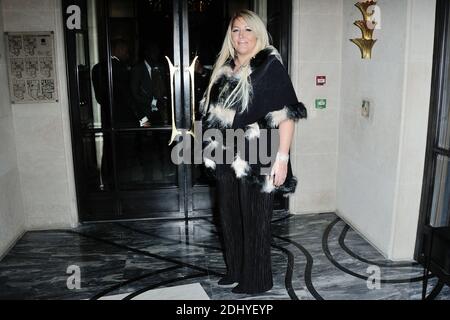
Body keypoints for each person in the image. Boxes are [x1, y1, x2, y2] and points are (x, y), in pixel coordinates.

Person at [200, 10, 307, 294]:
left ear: (258, 33)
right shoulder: (225, 68)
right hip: (226, 152)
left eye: (248, 30)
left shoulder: (269, 66)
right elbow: (215, 116)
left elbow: (286, 116)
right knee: (229, 215)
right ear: (230, 36)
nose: (241, 36)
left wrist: (282, 159)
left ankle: (258, 279)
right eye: (236, 30)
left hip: (259, 150)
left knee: (255, 219)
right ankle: (235, 269)